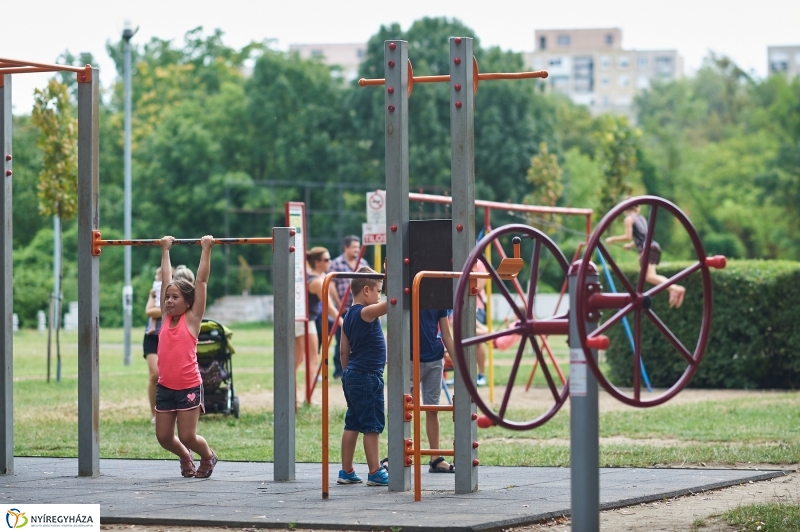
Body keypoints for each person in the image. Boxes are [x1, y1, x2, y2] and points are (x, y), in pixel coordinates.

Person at [155, 236, 218, 479]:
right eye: (167, 297)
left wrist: (206, 249)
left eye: (175, 298)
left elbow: (201, 281)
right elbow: (166, 280)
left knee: (187, 436)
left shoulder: (192, 319)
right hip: (165, 386)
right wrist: (165, 250)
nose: (169, 301)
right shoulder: (165, 317)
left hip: (188, 385)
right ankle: (185, 455)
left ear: (188, 302)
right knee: (163, 437)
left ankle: (208, 456)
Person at [337, 267, 389, 487]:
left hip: (352, 375)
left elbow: (343, 351)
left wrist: (348, 374)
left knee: (353, 423)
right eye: (378, 290)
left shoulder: (348, 316)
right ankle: (375, 471)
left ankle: (346, 470)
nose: (379, 295)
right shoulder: (365, 312)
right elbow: (392, 304)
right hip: (367, 376)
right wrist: (395, 280)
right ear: (366, 290)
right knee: (372, 424)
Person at [604, 204, 686, 308]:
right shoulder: (641, 218)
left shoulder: (629, 219)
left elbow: (627, 236)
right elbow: (643, 236)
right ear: (638, 208)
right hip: (653, 247)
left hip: (647, 250)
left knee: (650, 276)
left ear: (624, 209)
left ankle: (675, 288)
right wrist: (630, 245)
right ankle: (672, 289)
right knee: (651, 276)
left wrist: (612, 239)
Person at [144, 265, 195, 424]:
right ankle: (155, 413)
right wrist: (169, 308)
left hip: (172, 339)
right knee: (155, 374)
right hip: (153, 336)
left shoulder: (179, 300)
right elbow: (149, 311)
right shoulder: (164, 296)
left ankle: (180, 409)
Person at [415, 309, 456, 473]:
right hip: (410, 357)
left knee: (432, 408)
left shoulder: (438, 300)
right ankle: (396, 455)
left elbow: (446, 334)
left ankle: (435, 457)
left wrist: (458, 362)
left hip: (434, 358)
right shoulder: (406, 296)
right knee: (404, 409)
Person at [329, 235, 370, 378]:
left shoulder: (362, 263)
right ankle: (339, 370)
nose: (356, 250)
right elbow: (331, 284)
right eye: (354, 247)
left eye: (358, 247)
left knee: (359, 339)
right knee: (341, 339)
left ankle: (357, 367)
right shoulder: (336, 263)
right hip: (343, 308)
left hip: (359, 308)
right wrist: (339, 303)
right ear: (345, 248)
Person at [307, 247, 340, 356]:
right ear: (317, 262)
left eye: (330, 259)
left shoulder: (321, 276)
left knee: (308, 355)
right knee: (312, 356)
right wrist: (343, 323)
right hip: (313, 319)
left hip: (318, 317)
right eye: (326, 260)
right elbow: (329, 306)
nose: (330, 262)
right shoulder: (316, 281)